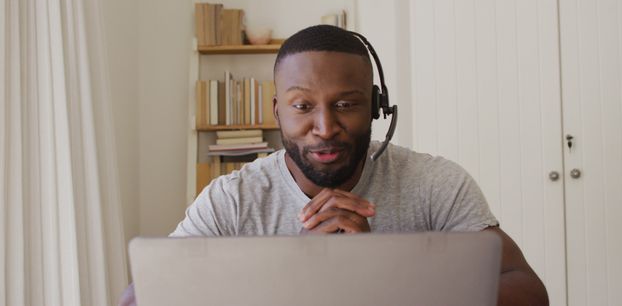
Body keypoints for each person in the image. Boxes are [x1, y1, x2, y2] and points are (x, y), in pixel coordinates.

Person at [119, 25, 548, 305]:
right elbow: (136, 299)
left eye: (346, 104)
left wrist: (376, 274)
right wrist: (290, 272)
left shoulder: (435, 183)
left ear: (378, 107)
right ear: (277, 112)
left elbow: (529, 293)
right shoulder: (232, 200)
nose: (324, 127)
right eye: (303, 105)